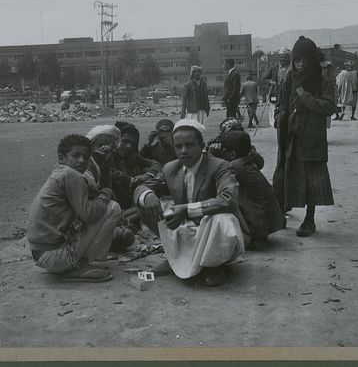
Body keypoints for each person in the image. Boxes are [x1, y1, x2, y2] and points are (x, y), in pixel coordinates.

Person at [134, 119, 247, 286]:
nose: (183, 151)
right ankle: (173, 255)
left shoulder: (220, 166)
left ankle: (213, 265)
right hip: (187, 226)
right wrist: (147, 194)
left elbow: (228, 200)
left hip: (211, 229)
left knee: (223, 218)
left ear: (201, 145)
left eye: (189, 145)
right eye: (178, 146)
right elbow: (141, 188)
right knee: (144, 203)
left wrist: (187, 210)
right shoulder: (171, 168)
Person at [26, 134, 121, 282]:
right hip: (56, 257)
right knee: (113, 208)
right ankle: (78, 265)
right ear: (61, 157)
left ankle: (75, 263)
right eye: (76, 156)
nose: (82, 161)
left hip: (43, 255)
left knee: (93, 210)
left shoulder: (60, 172)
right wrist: (106, 193)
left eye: (86, 157)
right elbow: (89, 214)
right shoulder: (72, 175)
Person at [273, 36, 336, 237]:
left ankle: (310, 218)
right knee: (286, 173)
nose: (300, 65)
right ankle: (281, 210)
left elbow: (329, 107)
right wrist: (278, 116)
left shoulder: (322, 80)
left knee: (311, 181)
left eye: (304, 60)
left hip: (311, 137)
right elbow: (281, 104)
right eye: (296, 60)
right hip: (291, 135)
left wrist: (304, 96)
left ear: (312, 60)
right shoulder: (288, 79)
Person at [219, 131, 286, 248]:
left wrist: (212, 155)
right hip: (271, 220)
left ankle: (251, 236)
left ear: (232, 154)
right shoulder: (247, 161)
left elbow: (215, 174)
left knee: (225, 198)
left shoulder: (234, 166)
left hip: (257, 224)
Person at [263, 47, 291, 128]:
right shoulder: (274, 68)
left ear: (288, 58)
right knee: (275, 107)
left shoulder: (292, 68)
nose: (283, 59)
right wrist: (271, 82)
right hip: (276, 92)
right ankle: (276, 123)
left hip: (288, 92)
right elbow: (264, 78)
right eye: (281, 57)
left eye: (285, 57)